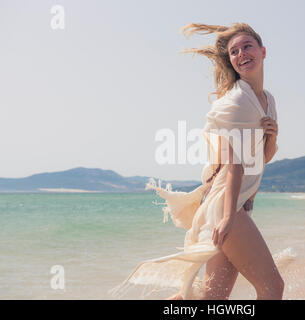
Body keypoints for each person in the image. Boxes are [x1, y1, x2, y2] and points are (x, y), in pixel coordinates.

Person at [109, 22, 284, 300]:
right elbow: (235, 162)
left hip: (233, 205)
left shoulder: (267, 101)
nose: (241, 54)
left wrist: (271, 139)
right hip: (227, 209)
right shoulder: (237, 101)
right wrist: (228, 217)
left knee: (210, 299)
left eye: (247, 47)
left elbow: (259, 159)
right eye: (234, 51)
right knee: (272, 288)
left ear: (263, 52)